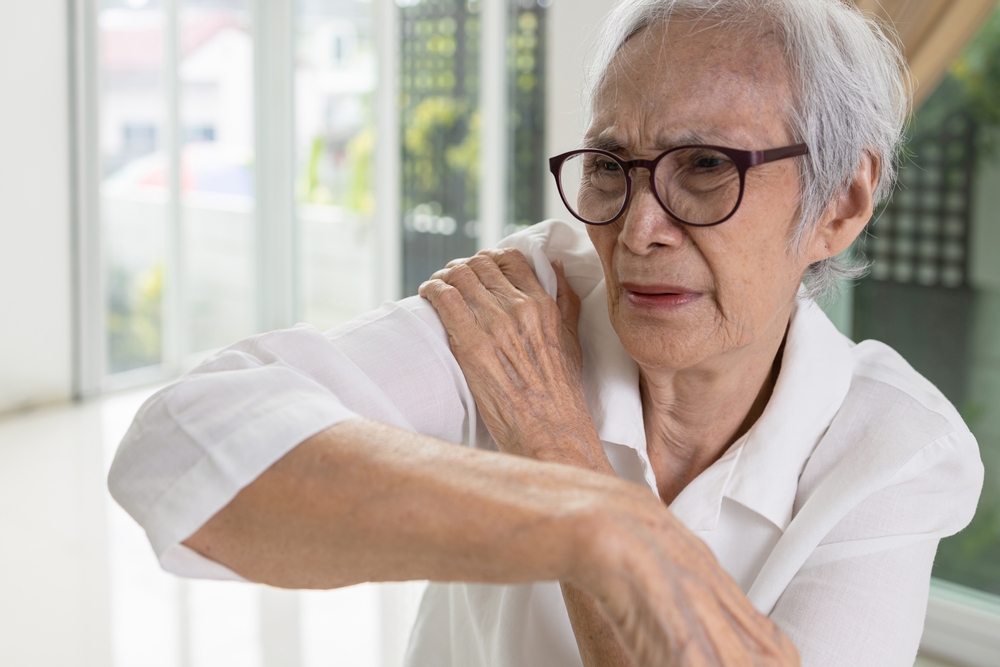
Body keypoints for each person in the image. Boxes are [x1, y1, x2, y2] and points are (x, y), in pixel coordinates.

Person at [108, 0, 984, 665]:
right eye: (611, 166)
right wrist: (596, 526)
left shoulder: (898, 451)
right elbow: (181, 447)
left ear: (843, 202)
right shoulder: (531, 301)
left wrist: (566, 460)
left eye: (707, 166)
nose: (639, 228)